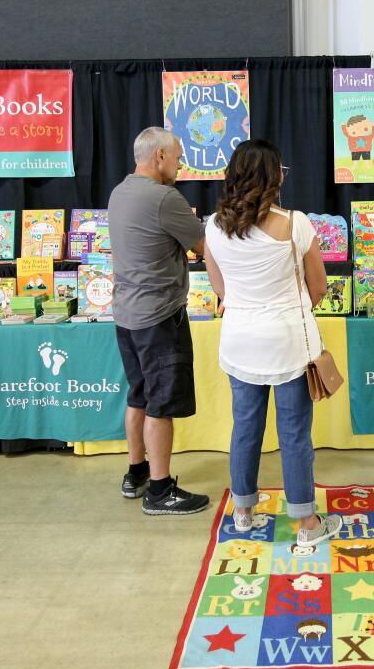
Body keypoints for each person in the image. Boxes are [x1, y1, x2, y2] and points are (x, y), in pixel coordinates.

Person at [203, 139, 343, 546]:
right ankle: (305, 525)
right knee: (294, 432)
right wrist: (288, 306)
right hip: (287, 342)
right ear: (272, 176)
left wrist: (246, 305)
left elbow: (220, 288)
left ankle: (243, 511)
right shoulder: (296, 223)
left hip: (240, 339)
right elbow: (318, 287)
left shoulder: (213, 226)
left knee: (245, 427)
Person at [108, 127, 211, 515]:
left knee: (138, 394)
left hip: (126, 315)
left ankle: (136, 472)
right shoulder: (165, 197)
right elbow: (203, 246)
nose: (181, 163)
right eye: (178, 156)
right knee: (161, 404)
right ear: (160, 157)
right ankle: (160, 490)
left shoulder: (120, 192)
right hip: (159, 317)